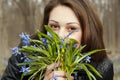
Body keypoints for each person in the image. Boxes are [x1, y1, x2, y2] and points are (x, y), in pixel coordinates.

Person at [1, 0, 114, 80]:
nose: (60, 36)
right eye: (54, 26)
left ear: (87, 32)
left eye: (71, 28)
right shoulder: (25, 53)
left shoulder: (101, 67)